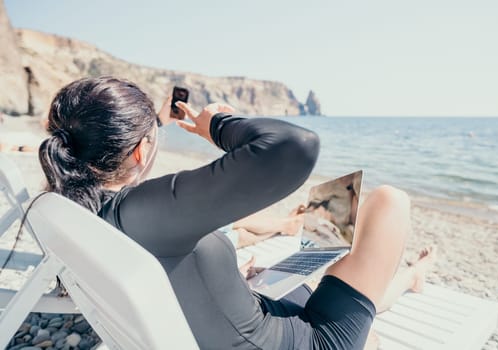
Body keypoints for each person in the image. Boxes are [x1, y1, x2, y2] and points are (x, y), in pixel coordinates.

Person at [38, 77, 436, 350]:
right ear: (142, 151)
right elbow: (295, 146)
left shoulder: (78, 210)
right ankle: (405, 284)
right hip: (303, 341)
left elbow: (176, 279)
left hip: (243, 317)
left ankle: (407, 279)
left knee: (311, 261)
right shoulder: (143, 212)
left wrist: (225, 279)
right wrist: (217, 127)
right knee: (388, 201)